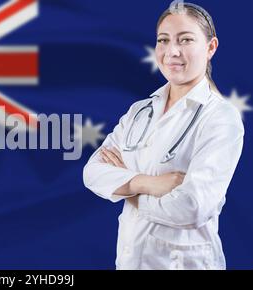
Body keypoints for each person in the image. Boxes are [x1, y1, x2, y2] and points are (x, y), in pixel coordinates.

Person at [83, 2, 244, 270]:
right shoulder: (140, 111)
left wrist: (125, 189)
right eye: (163, 40)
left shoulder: (221, 118)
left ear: (211, 47)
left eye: (186, 40)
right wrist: (147, 184)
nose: (172, 51)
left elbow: (191, 206)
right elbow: (92, 172)